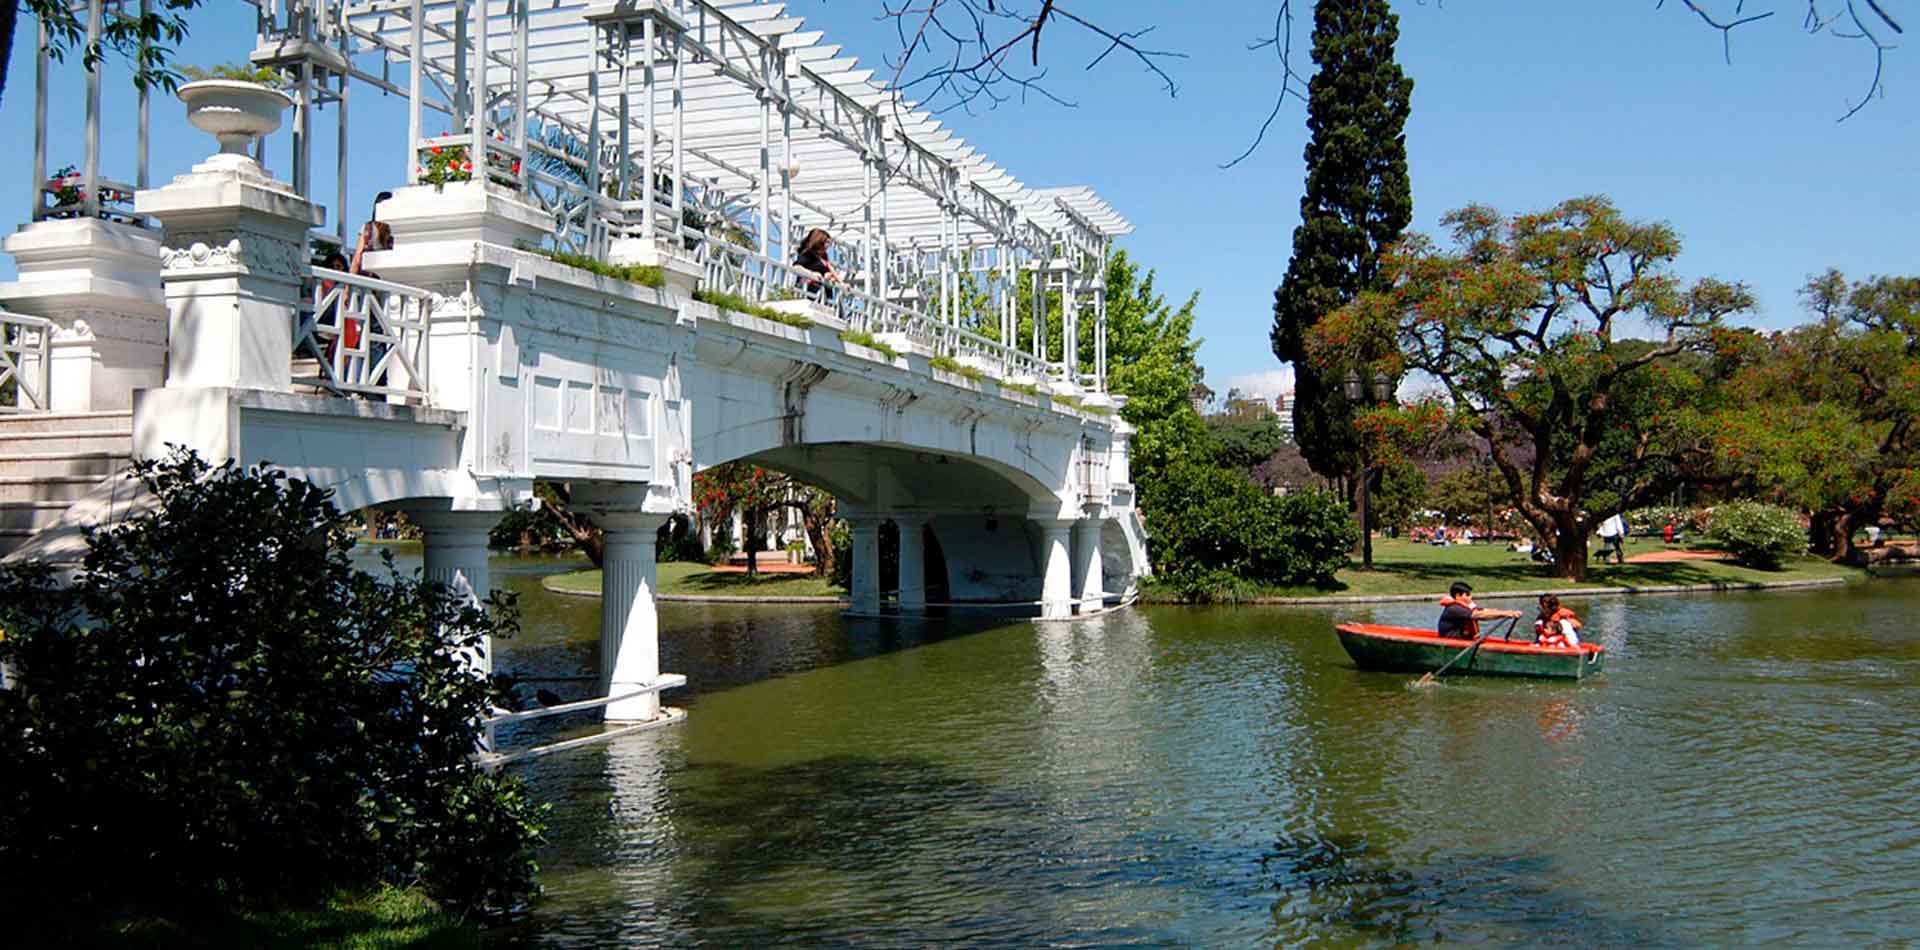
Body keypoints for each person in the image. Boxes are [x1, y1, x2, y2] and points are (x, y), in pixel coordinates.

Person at [1437, 581, 1522, 639]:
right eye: (1467, 595)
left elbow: (1484, 612)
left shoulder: (1465, 607)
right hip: (1452, 641)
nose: (1471, 597)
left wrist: (1509, 612)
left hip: (1464, 639)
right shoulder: (1454, 609)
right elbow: (1478, 615)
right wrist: (1506, 614)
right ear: (1458, 596)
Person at [792, 227, 843, 296]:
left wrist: (830, 277)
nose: (828, 246)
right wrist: (811, 274)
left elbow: (826, 272)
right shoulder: (808, 254)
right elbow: (796, 267)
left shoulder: (824, 257)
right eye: (827, 242)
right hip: (809, 292)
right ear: (819, 241)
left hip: (823, 294)